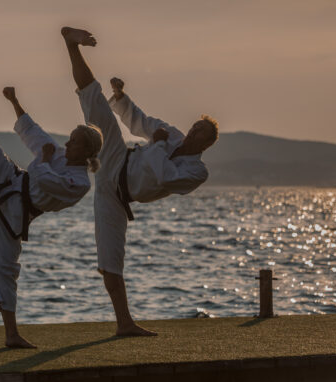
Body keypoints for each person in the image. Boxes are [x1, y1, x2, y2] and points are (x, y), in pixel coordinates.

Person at [60, 27, 219, 336]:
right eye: (194, 126)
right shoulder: (172, 134)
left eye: (200, 132)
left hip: (118, 196)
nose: (192, 131)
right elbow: (142, 122)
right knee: (95, 101)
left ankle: (124, 323)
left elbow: (166, 177)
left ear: (206, 143)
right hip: (117, 157)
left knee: (110, 259)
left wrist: (157, 144)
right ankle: (71, 44)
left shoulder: (197, 172)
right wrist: (121, 98)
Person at [0, 60, 103, 348]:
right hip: (8, 178)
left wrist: (45, 157)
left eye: (74, 141)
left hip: (16, 213)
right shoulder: (60, 154)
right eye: (70, 139)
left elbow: (44, 178)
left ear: (87, 151)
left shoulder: (79, 183)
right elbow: (33, 132)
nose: (67, 144)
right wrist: (14, 101)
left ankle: (11, 335)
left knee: (4, 268)